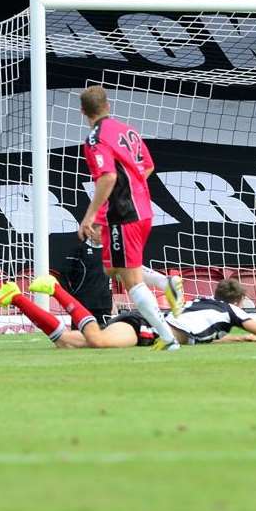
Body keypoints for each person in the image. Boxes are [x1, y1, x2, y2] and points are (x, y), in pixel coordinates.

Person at [78, 85, 185, 351]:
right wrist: (132, 189)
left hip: (125, 214)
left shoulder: (95, 139)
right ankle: (164, 282)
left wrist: (90, 216)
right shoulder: (128, 130)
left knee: (131, 280)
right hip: (142, 209)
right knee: (111, 268)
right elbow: (147, 166)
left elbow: (108, 177)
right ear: (108, 105)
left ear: (83, 111)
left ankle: (168, 339)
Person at [0, 276, 256, 348]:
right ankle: (55, 288)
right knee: (97, 341)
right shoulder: (231, 312)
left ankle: (16, 298)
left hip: (152, 327)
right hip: (148, 329)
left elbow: (194, 338)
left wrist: (235, 341)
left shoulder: (206, 310)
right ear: (238, 301)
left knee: (67, 343)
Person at [55, 235, 112, 327]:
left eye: (106, 231)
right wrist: (70, 295)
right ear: (91, 231)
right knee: (80, 338)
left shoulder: (110, 250)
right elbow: (63, 275)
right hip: (82, 305)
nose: (104, 234)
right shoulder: (79, 250)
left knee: (103, 338)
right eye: (101, 231)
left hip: (104, 305)